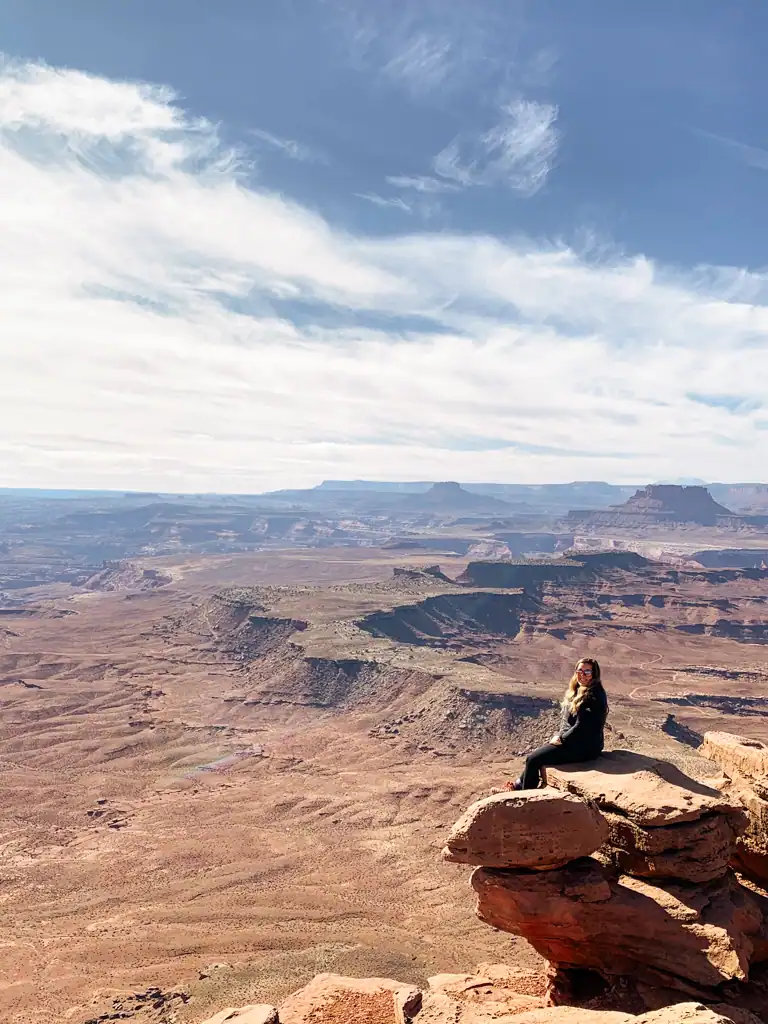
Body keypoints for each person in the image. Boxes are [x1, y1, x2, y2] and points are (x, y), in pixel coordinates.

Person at [510, 658, 608, 790]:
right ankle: (518, 785)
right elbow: (568, 721)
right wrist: (560, 735)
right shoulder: (580, 689)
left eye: (587, 672)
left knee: (533, 759)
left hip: (584, 747)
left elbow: (581, 727)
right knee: (538, 756)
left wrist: (561, 739)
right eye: (579, 671)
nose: (582, 675)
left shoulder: (592, 696)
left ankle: (525, 797)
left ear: (594, 674)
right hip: (576, 740)